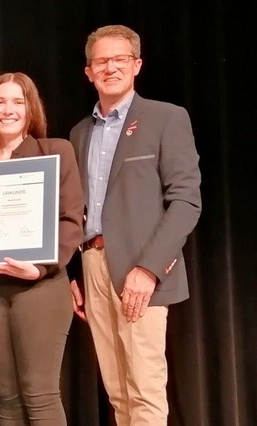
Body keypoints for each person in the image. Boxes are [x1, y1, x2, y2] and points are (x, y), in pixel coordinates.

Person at [68, 25, 202, 425]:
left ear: (137, 65)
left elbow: (186, 201)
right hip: (93, 266)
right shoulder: (79, 133)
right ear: (88, 72)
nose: (110, 67)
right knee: (118, 392)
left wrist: (148, 269)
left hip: (140, 270)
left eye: (120, 59)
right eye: (101, 61)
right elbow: (79, 212)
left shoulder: (166, 118)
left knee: (144, 392)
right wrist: (73, 272)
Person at [0, 72, 84, 425]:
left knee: (40, 396)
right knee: (8, 399)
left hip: (39, 286)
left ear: (31, 109)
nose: (8, 109)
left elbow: (71, 220)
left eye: (17, 101)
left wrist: (40, 267)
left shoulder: (55, 152)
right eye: (0, 101)